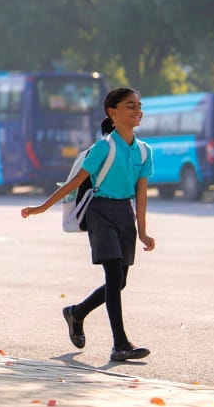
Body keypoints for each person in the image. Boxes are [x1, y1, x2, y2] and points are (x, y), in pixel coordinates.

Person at [21, 87, 156, 362]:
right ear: (113, 112)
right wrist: (41, 208)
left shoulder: (144, 151)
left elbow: (141, 194)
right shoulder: (104, 146)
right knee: (112, 277)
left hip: (124, 212)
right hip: (100, 211)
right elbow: (75, 183)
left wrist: (142, 231)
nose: (137, 110)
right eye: (130, 106)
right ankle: (120, 344)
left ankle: (77, 312)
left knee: (120, 282)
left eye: (139, 105)